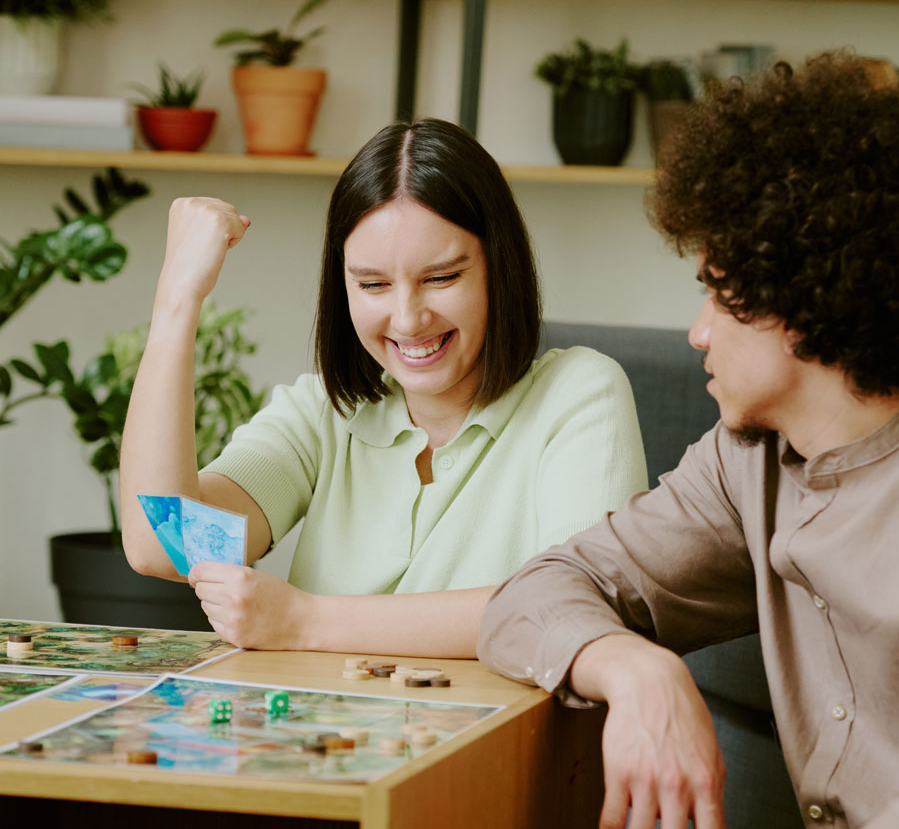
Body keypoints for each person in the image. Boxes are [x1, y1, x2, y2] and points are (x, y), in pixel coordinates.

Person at [478, 50, 899, 829]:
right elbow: (534, 593)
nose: (696, 332)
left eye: (715, 293)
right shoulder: (745, 463)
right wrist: (636, 671)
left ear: (796, 296)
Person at [120, 118, 646, 657]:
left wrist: (304, 621)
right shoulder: (325, 412)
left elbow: (573, 606)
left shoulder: (579, 393)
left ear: (498, 267)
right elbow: (167, 546)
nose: (408, 318)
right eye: (372, 284)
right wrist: (176, 301)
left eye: (441, 278)